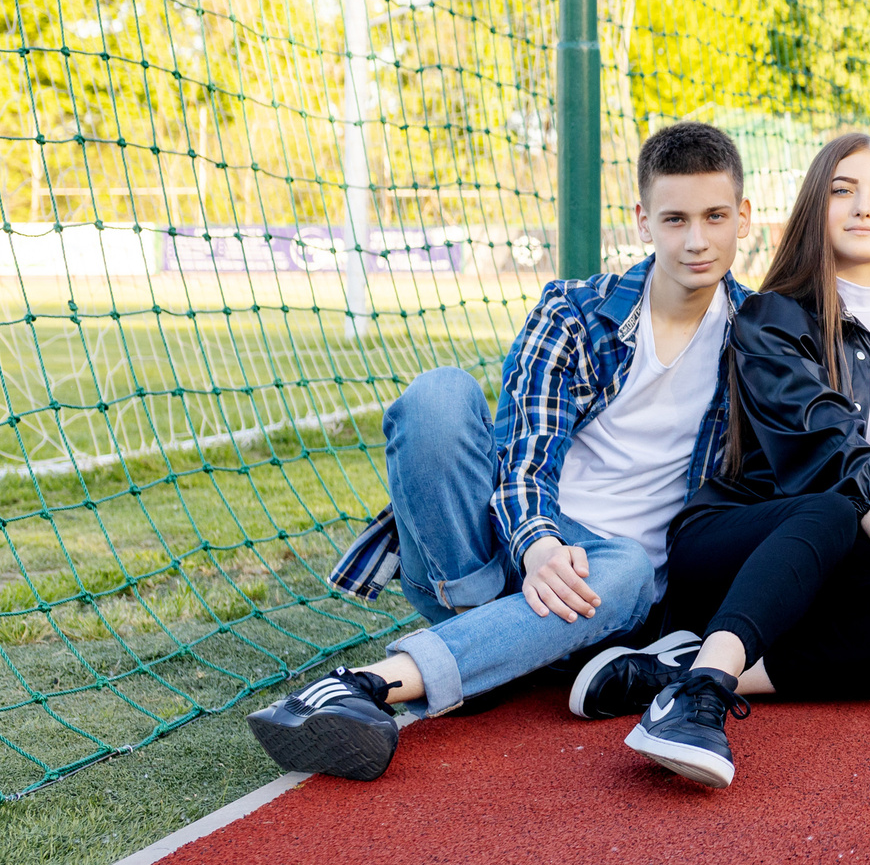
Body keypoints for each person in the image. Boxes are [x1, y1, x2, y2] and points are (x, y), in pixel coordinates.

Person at [249, 121, 753, 780]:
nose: (695, 238)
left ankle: (372, 682)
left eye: (715, 215)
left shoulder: (757, 336)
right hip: (497, 556)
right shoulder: (577, 312)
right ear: (642, 220)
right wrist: (539, 544)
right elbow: (524, 456)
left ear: (742, 217)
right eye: (675, 217)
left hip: (611, 595)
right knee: (439, 397)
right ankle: (486, 638)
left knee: (627, 565)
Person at [590, 132, 870, 789]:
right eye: (843, 189)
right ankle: (697, 697)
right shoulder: (770, 316)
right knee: (837, 508)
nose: (864, 206)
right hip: (738, 541)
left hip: (852, 567)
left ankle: (678, 671)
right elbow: (832, 448)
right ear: (817, 205)